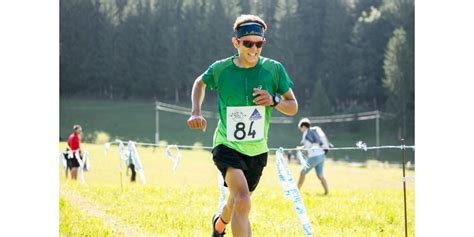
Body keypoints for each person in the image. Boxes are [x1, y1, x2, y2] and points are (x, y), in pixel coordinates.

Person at [187, 14, 298, 237]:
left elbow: (293, 106)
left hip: (257, 150)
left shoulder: (274, 70)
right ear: (236, 42)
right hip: (227, 144)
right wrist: (195, 111)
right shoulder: (221, 69)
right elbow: (200, 83)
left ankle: (219, 225)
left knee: (237, 200)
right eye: (248, 43)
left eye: (259, 44)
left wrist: (274, 100)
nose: (254, 49)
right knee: (243, 200)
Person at [296, 118, 329, 195]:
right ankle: (327, 191)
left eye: (300, 128)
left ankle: (296, 190)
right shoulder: (313, 131)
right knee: (320, 175)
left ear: (303, 126)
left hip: (314, 156)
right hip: (321, 155)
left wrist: (299, 148)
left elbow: (307, 146)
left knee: (302, 172)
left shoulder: (307, 133)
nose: (300, 129)